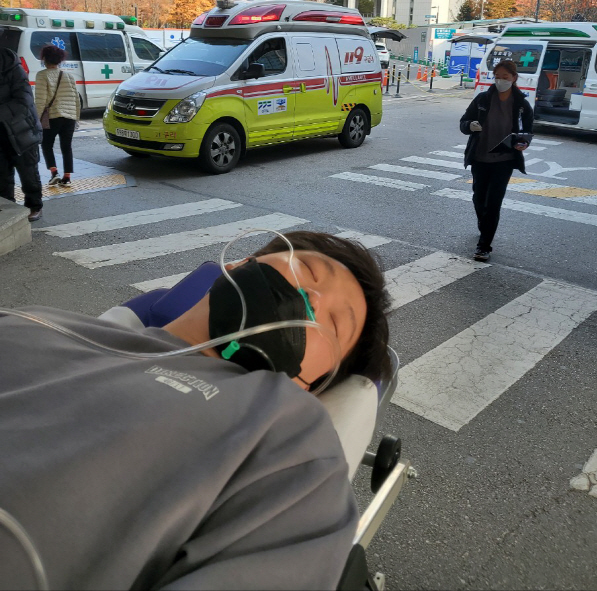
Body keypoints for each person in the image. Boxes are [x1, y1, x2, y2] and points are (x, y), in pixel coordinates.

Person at [0, 231, 391, 590]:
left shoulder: (288, 437)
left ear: (316, 381)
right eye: (307, 269)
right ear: (239, 266)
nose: (316, 299)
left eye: (336, 324)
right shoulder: (35, 323)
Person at [460, 59, 534, 262]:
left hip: (505, 160)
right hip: (480, 158)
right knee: (479, 199)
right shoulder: (483, 99)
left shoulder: (521, 105)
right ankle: (485, 228)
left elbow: (527, 132)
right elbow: (463, 123)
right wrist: (471, 125)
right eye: (498, 77)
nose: (501, 81)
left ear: (514, 78)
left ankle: (484, 245)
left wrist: (522, 144)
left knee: (493, 203)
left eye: (505, 77)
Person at [0, 47, 43, 222]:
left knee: (28, 173)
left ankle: (34, 206)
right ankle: (7, 208)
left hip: (22, 129)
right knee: (2, 176)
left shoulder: (12, 66)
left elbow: (24, 99)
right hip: (0, 133)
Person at [34, 44, 80, 187]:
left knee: (47, 144)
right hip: (70, 117)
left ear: (45, 59)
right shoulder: (69, 76)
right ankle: (67, 178)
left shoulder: (42, 75)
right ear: (59, 60)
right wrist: (76, 117)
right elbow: (76, 99)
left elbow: (40, 101)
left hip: (53, 116)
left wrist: (36, 119)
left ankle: (54, 173)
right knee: (67, 147)